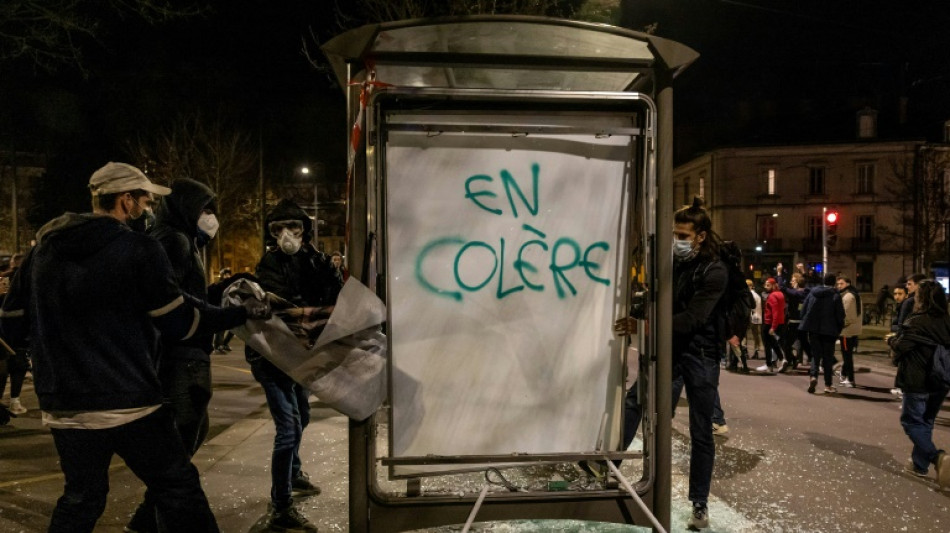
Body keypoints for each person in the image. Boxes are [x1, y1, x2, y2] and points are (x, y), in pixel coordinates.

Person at [0, 162, 270, 532]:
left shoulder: (42, 250)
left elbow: (11, 324)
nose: (148, 211)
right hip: (128, 401)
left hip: (63, 403)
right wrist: (235, 314)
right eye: (144, 202)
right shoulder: (138, 248)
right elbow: (179, 321)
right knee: (178, 487)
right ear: (125, 201)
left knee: (81, 499)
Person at [616, 197, 727, 530]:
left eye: (683, 235)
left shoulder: (715, 271)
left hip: (702, 356)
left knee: (700, 430)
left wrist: (645, 325)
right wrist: (637, 312)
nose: (677, 240)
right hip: (671, 350)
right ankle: (609, 464)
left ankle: (699, 504)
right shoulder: (674, 263)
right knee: (636, 400)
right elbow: (656, 298)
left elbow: (693, 318)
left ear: (701, 235)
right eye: (674, 234)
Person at [126, 178, 229, 533]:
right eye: (204, 209)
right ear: (186, 208)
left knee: (193, 434)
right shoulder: (173, 240)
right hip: (181, 354)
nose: (210, 216)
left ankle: (146, 520)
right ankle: (152, 521)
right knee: (180, 447)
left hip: (187, 351)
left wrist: (217, 292)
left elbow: (187, 293)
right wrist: (222, 313)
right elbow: (171, 301)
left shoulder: (181, 240)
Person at [246, 199, 342, 532]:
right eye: (279, 229)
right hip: (272, 358)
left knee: (302, 414)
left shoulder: (315, 261)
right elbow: (285, 303)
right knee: (287, 429)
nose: (287, 235)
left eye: (294, 228)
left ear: (305, 230)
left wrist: (329, 273)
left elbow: (334, 296)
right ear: (271, 234)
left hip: (299, 357)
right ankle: (281, 506)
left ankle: (294, 472)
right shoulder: (269, 264)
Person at [887, 280, 950, 487]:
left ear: (921, 299)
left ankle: (936, 457)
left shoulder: (917, 321)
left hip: (917, 379)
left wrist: (891, 340)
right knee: (927, 421)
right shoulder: (947, 321)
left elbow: (902, 346)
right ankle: (919, 465)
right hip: (940, 380)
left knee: (912, 422)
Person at [799, 274, 845, 394]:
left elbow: (804, 310)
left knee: (815, 355)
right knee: (828, 358)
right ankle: (828, 384)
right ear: (834, 283)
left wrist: (806, 323)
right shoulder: (835, 295)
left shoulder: (813, 293)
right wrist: (838, 329)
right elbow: (840, 315)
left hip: (814, 330)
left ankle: (813, 376)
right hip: (829, 331)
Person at [0, 253, 30, 415]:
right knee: (15, 367)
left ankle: (12, 402)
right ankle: (14, 402)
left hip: (7, 336)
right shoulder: (24, 281)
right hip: (14, 335)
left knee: (5, 369)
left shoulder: (8, 279)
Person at [778, 272, 811, 371]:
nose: (790, 282)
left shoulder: (797, 293)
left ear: (797, 282)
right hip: (802, 323)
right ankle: (813, 362)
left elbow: (782, 287)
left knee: (784, 342)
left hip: (795, 323)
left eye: (792, 281)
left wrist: (779, 274)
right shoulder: (805, 292)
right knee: (805, 344)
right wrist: (803, 272)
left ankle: (791, 360)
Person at [835, 276, 863, 387]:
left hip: (847, 331)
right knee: (848, 354)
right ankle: (844, 373)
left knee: (847, 356)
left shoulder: (848, 297)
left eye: (841, 283)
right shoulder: (855, 294)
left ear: (848, 283)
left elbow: (846, 317)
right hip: (854, 329)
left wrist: (838, 326)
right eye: (838, 284)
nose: (839, 286)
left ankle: (850, 379)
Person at [757, 277, 786, 373]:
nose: (766, 287)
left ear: (773, 285)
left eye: (768, 285)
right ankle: (781, 359)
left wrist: (773, 326)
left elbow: (775, 312)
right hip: (779, 322)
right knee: (773, 342)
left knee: (768, 344)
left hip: (769, 322)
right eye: (765, 285)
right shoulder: (780, 294)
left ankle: (769, 364)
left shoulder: (772, 296)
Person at [889, 285, 909, 398]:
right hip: (898, 337)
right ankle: (900, 387)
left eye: (900, 294)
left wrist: (894, 329)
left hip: (902, 339)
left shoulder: (906, 306)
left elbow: (903, 324)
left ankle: (903, 389)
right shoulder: (900, 306)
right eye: (895, 294)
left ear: (906, 295)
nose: (897, 296)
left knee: (902, 364)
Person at [213, 268, 235, 353]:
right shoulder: (219, 284)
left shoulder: (230, 284)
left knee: (232, 328)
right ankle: (217, 346)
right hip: (220, 307)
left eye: (229, 274)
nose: (228, 276)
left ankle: (224, 343)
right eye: (226, 274)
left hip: (228, 307)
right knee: (220, 328)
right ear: (222, 275)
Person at [745, 279, 763, 359]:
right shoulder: (756, 295)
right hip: (757, 316)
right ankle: (756, 350)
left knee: (751, 334)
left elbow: (752, 307)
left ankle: (748, 350)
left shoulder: (751, 295)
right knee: (756, 335)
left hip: (753, 316)